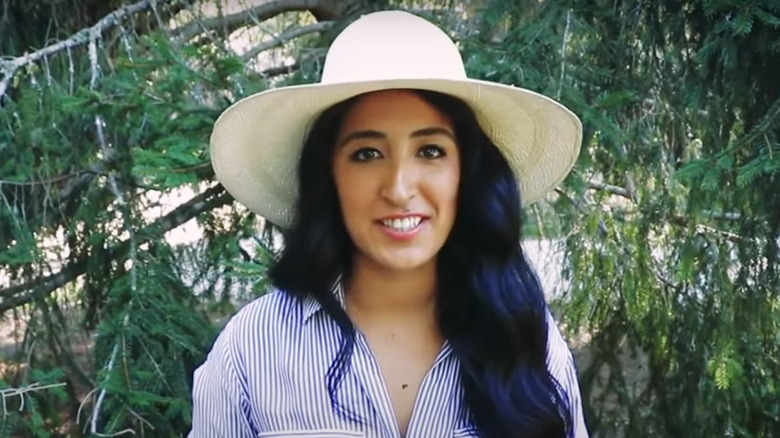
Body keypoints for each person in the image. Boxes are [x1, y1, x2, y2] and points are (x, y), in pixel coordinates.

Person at [189, 9, 589, 438]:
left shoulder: (526, 340)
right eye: (367, 154)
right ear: (330, 177)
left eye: (431, 151)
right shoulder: (252, 350)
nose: (399, 188)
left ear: (466, 173)